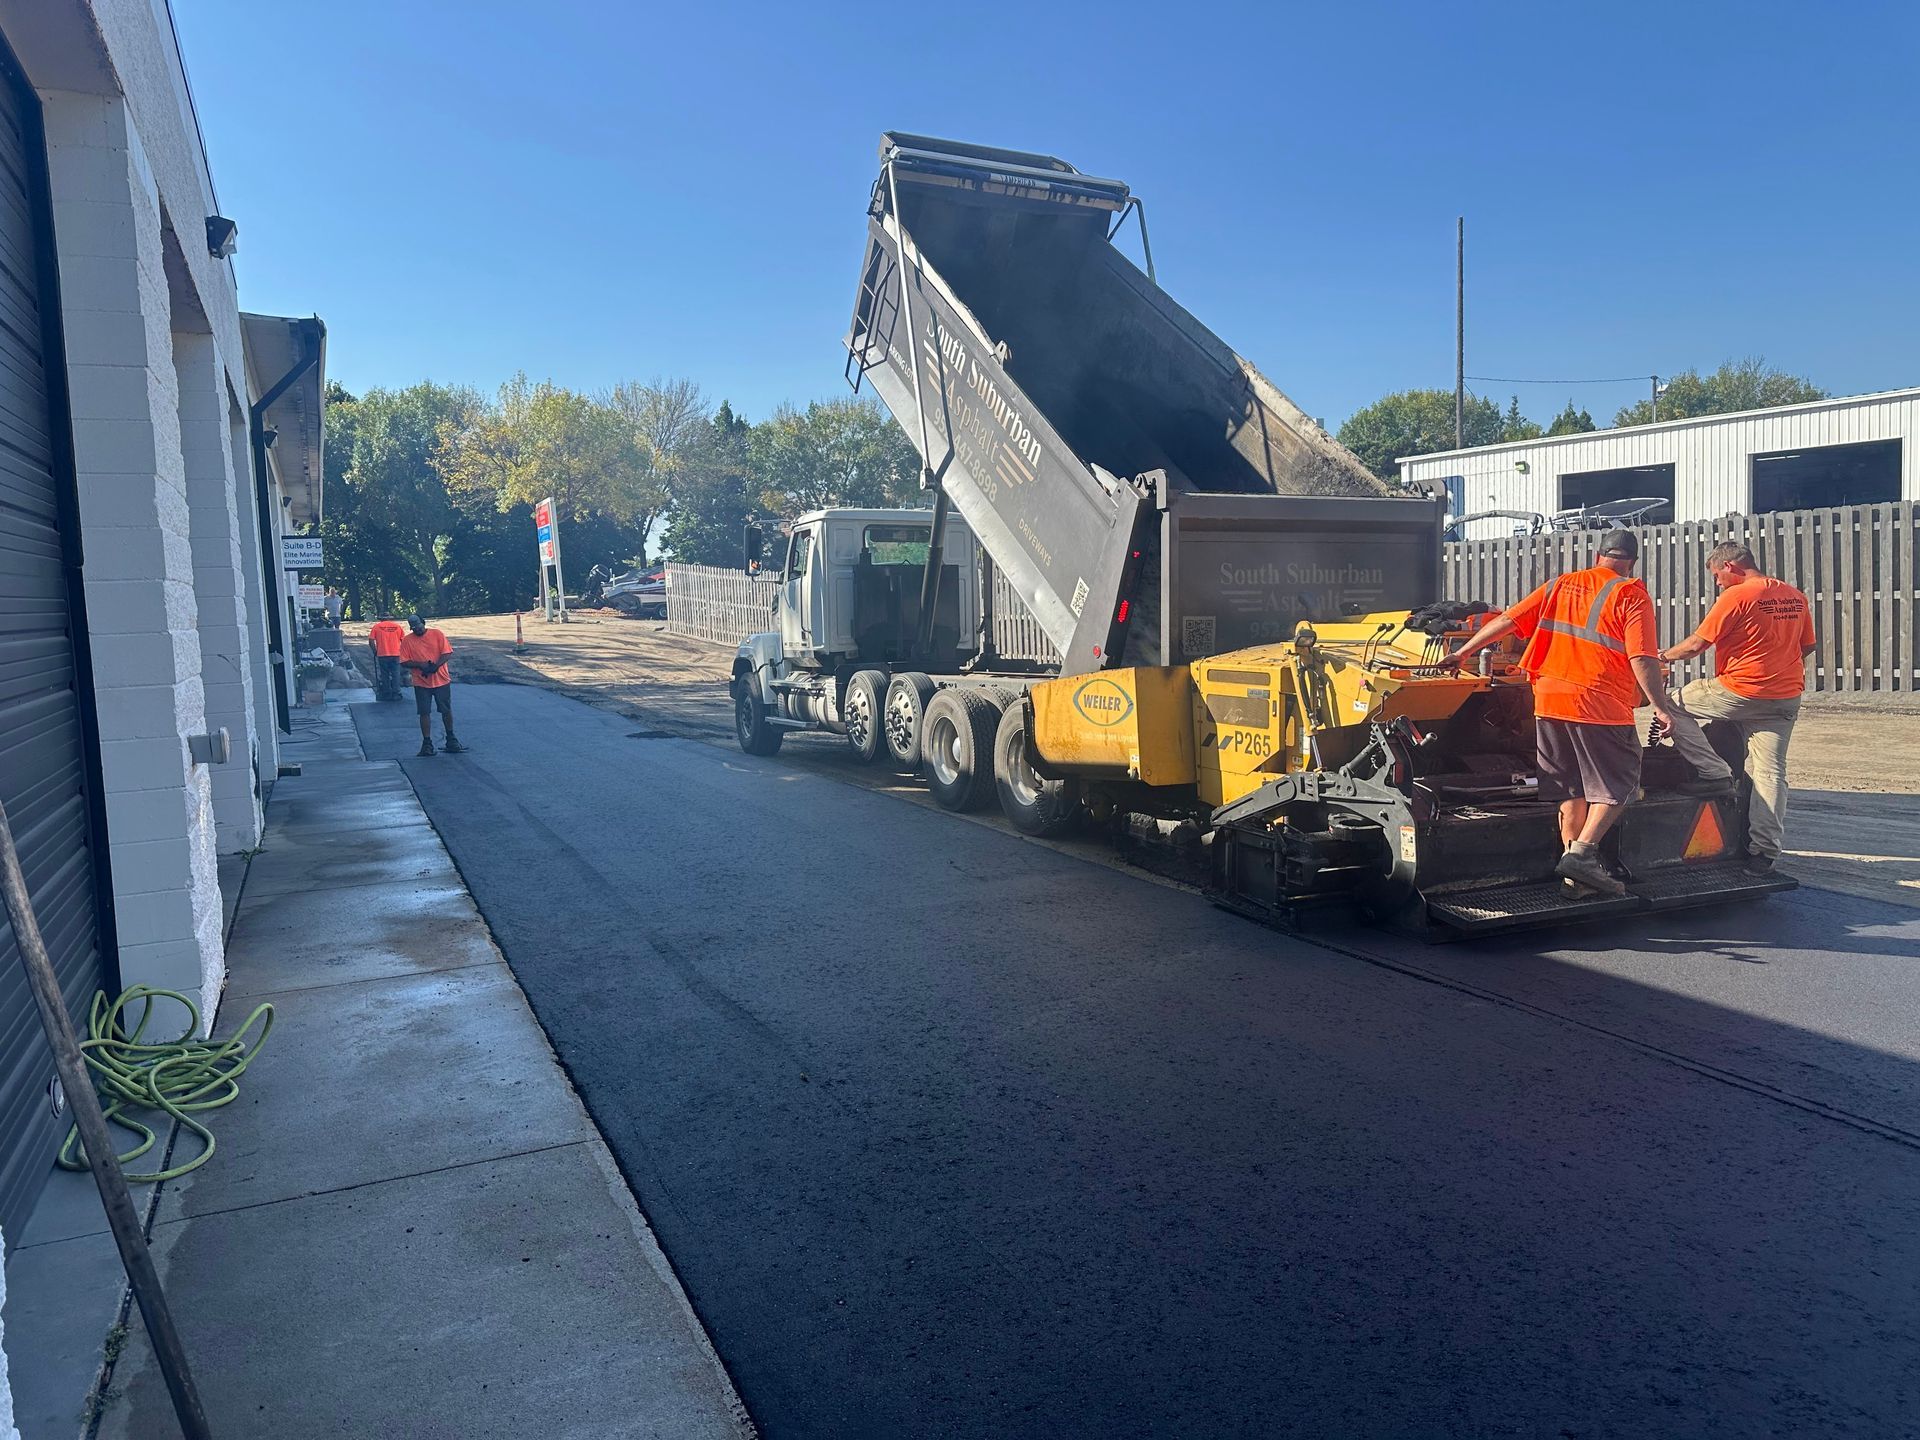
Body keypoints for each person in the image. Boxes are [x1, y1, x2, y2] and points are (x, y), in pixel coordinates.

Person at [1440, 530, 1721, 896]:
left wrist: (1462, 653)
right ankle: (1583, 856)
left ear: (1597, 556)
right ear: (1632, 563)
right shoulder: (1630, 594)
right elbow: (1641, 658)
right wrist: (1660, 706)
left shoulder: (1561, 584)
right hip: (1599, 703)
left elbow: (1507, 621)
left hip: (1549, 699)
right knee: (1621, 785)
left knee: (1571, 789)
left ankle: (1575, 882)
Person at [1655, 542, 1815, 875]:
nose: (1717, 583)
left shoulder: (1736, 596)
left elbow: (1696, 645)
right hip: (1784, 697)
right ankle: (1764, 855)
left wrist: (1661, 657)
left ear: (1729, 566)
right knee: (1771, 774)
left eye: (1716, 575)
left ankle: (1714, 773)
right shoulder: (1793, 595)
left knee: (1673, 704)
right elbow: (1807, 646)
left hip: (1740, 689)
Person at [398, 614, 465, 756]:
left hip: (441, 680)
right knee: (424, 712)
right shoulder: (407, 641)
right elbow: (404, 661)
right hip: (421, 683)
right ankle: (427, 743)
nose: (417, 629)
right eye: (414, 627)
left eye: (419, 626)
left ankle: (451, 739)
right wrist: (420, 665)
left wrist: (436, 666)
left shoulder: (437, 634)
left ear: (423, 622)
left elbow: (447, 653)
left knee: (445, 709)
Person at [367, 611, 406, 701]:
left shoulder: (376, 627)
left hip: (383, 654)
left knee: (385, 674)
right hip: (396, 654)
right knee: (396, 674)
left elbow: (371, 640)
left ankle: (387, 693)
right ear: (389, 618)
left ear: (381, 619)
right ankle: (396, 693)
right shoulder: (397, 627)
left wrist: (375, 651)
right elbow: (403, 640)